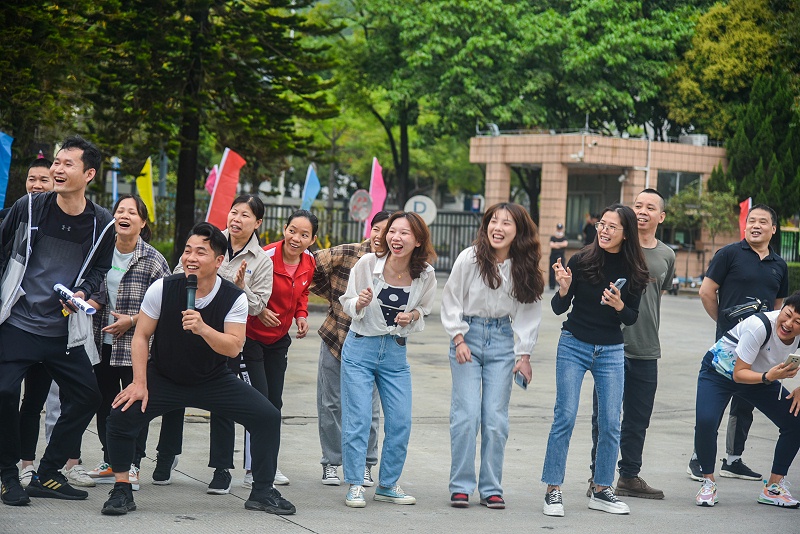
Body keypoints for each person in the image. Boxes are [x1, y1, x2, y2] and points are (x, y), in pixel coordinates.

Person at [101, 222, 294, 516]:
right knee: (119, 416)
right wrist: (139, 382)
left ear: (218, 261)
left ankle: (263, 492)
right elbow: (141, 335)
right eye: (188, 250)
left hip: (213, 379)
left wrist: (203, 328)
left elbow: (233, 346)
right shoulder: (163, 288)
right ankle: (122, 489)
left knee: (267, 417)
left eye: (200, 252)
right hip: (163, 376)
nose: (191, 257)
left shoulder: (234, 297)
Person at [0, 135, 114, 506]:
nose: (57, 169)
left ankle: (48, 472)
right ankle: (7, 475)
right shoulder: (29, 207)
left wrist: (82, 292)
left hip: (62, 331)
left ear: (89, 173)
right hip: (18, 323)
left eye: (67, 164)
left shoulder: (103, 224)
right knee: (3, 392)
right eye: (56, 162)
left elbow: (99, 269)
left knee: (87, 396)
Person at [153, 194, 273, 494]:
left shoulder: (261, 260)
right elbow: (178, 280)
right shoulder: (204, 242)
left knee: (223, 404)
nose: (237, 219)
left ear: (257, 223)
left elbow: (258, 306)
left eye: (245, 215)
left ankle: (221, 468)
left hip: (224, 338)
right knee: (173, 397)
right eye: (234, 212)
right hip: (184, 333)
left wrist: (239, 289)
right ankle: (166, 456)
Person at [541, 204, 649, 517]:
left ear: (625, 233)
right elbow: (559, 308)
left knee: (611, 422)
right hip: (573, 344)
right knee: (565, 415)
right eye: (602, 224)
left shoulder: (634, 271)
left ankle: (602, 489)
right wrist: (563, 290)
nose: (604, 230)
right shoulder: (582, 259)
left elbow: (631, 317)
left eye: (612, 227)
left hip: (611, 350)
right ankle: (553, 489)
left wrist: (618, 304)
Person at [442, 203, 544, 509]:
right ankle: (461, 486)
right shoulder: (470, 257)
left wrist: (523, 354)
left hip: (502, 340)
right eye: (494, 222)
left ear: (519, 231)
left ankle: (491, 488)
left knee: (495, 420)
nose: (498, 228)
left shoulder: (523, 265)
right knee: (467, 415)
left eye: (507, 223)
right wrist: (459, 338)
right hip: (467, 337)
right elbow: (451, 299)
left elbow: (528, 313)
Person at [339, 211, 437, 509]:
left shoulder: (426, 274)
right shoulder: (368, 264)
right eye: (393, 231)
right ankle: (356, 484)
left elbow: (425, 308)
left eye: (405, 233)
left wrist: (413, 315)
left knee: (400, 421)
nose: (396, 238)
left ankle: (387, 484)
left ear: (418, 240)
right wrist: (360, 302)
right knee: (358, 419)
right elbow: (347, 303)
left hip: (395, 353)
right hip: (360, 349)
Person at [689, 203, 789, 481]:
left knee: (746, 402)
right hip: (729, 343)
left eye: (762, 222)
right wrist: (722, 325)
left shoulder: (779, 265)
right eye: (751, 220)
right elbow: (707, 292)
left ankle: (733, 459)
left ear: (773, 229)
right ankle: (699, 459)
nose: (755, 225)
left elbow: (779, 309)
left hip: (762, 344)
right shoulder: (729, 254)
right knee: (715, 402)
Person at [588, 189, 675, 499]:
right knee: (606, 417)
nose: (642, 210)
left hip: (647, 346)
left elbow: (657, 295)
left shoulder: (667, 255)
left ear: (661, 216)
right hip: (610, 346)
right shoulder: (615, 248)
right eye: (637, 205)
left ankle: (629, 476)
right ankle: (598, 478)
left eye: (650, 207)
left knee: (639, 417)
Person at [83, 195, 171, 491]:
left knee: (135, 404)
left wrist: (131, 321)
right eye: (120, 210)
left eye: (131, 212)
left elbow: (165, 306)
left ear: (142, 222)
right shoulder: (99, 253)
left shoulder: (154, 260)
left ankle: (133, 464)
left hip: (135, 345)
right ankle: (111, 460)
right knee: (104, 403)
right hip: (100, 342)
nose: (124, 215)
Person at [693, 291, 800, 508]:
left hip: (760, 377)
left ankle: (773, 488)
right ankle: (707, 483)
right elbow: (739, 374)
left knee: (795, 421)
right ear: (782, 308)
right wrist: (768, 377)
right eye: (787, 314)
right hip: (720, 372)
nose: (788, 324)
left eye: (797, 321)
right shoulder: (760, 325)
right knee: (706, 421)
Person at [311, 211, 390, 487]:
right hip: (336, 335)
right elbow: (312, 265)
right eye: (377, 229)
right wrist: (331, 295)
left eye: (388, 230)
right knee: (331, 403)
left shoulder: (396, 264)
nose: (381, 236)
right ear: (371, 229)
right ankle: (332, 463)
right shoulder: (350, 252)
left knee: (369, 408)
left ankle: (366, 464)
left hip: (373, 345)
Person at [240, 209, 317, 488]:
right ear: (284, 229)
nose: (296, 238)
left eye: (304, 234)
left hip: (278, 341)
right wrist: (259, 312)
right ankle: (253, 470)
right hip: (251, 338)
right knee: (259, 403)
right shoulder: (265, 257)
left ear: (312, 239)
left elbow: (303, 292)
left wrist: (302, 315)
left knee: (275, 404)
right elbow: (243, 288)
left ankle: (268, 464)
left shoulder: (309, 262)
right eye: (292, 230)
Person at [548, 223, 568, 290]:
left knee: (562, 271)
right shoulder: (553, 237)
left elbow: (565, 244)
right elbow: (551, 245)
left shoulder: (564, 237)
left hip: (561, 256)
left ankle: (562, 285)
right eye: (558, 229)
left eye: (560, 229)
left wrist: (556, 244)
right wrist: (560, 245)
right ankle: (552, 285)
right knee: (552, 270)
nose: (559, 230)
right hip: (553, 256)